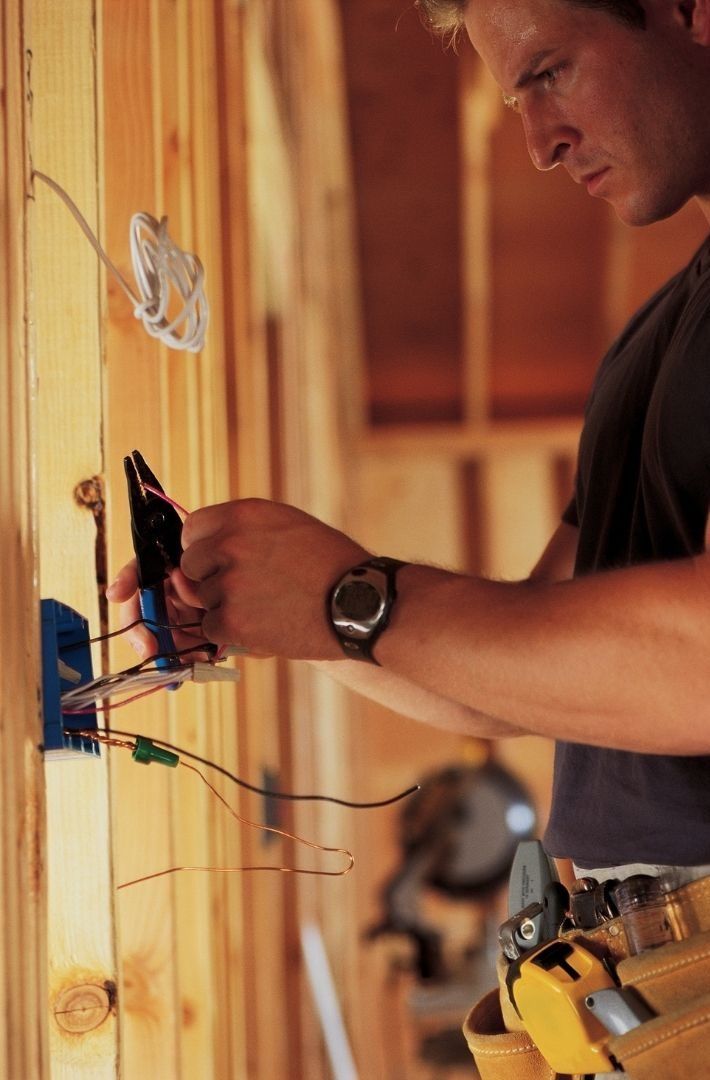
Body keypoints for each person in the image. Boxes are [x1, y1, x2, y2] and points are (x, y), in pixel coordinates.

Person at [108, 0, 710, 1073]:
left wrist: (354, 596)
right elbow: (507, 671)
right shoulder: (650, 346)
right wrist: (293, 617)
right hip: (624, 993)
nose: (535, 141)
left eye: (550, 72)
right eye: (515, 95)